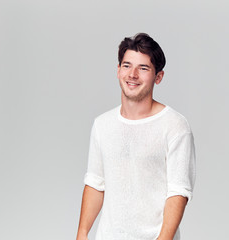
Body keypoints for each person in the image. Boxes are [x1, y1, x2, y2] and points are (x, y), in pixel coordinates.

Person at [76, 33, 196, 240]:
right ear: (118, 70)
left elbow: (178, 191)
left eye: (143, 68)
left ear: (158, 77)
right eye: (126, 65)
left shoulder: (175, 126)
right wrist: (82, 233)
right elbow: (96, 183)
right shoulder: (102, 125)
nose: (132, 74)